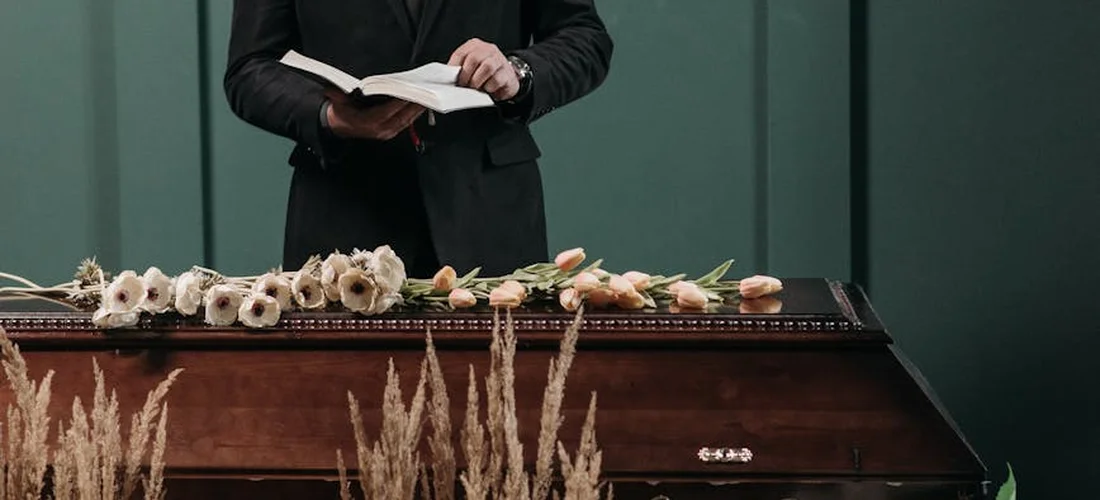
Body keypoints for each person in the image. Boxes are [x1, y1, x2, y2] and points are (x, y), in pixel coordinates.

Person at [223, 0, 613, 278]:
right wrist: (329, 116)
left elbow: (584, 36)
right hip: (342, 221)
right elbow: (249, 67)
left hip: (490, 221)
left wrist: (518, 72)